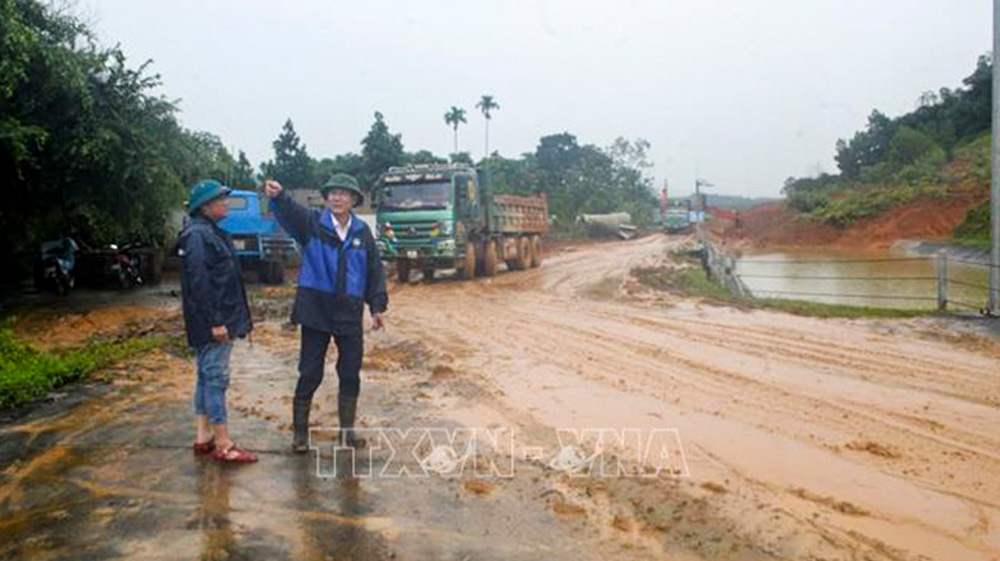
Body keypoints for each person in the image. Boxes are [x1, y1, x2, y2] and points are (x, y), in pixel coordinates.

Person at [263, 174, 387, 453]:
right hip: (316, 310)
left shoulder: (361, 233)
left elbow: (374, 272)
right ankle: (300, 435)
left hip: (349, 312)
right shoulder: (312, 224)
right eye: (332, 193)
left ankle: (347, 432)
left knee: (350, 373)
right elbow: (292, 213)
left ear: (354, 200)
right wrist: (279, 196)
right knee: (310, 373)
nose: (337, 198)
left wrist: (376, 306)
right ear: (326, 198)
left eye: (344, 194)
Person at [178, 179, 257, 463]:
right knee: (215, 380)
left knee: (204, 376)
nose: (227, 204)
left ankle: (203, 436)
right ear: (206, 206)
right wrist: (216, 322)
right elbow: (199, 284)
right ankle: (224, 444)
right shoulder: (199, 236)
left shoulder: (209, 232)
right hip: (213, 323)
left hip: (213, 320)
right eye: (222, 199)